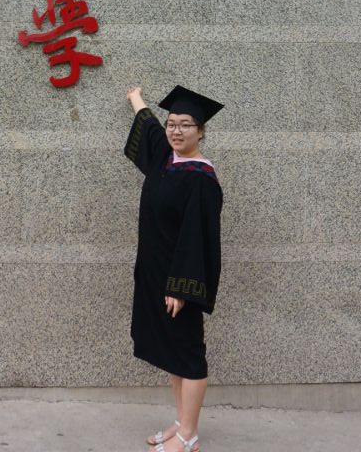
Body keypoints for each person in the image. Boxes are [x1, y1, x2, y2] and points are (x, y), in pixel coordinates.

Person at [124, 84, 224, 452]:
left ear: (201, 131)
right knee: (172, 356)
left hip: (178, 283)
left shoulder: (201, 178)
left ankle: (189, 434)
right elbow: (150, 129)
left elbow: (198, 239)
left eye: (185, 125)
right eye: (172, 123)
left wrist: (181, 289)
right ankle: (181, 423)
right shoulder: (167, 159)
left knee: (188, 356)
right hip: (156, 276)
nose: (176, 131)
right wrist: (136, 99)